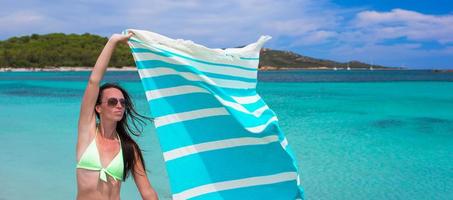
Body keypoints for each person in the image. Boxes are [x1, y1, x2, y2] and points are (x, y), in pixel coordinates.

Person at [76, 32, 158, 200]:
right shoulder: (87, 134)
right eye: (113, 102)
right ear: (98, 107)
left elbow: (147, 191)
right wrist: (113, 41)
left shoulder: (129, 148)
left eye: (122, 102)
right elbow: (94, 81)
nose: (119, 105)